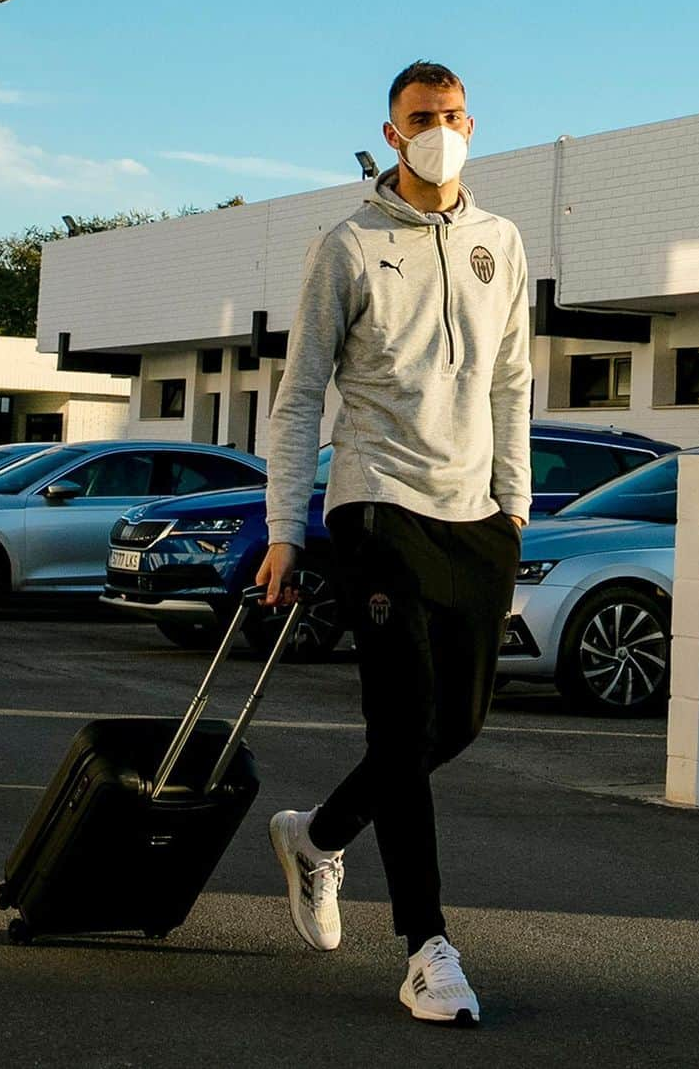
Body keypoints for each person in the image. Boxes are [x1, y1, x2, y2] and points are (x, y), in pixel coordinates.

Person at [257, 60, 531, 1028]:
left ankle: (319, 835)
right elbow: (299, 397)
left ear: (472, 122)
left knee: (454, 726)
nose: (441, 131)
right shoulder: (348, 245)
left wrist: (516, 506)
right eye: (423, 118)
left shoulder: (502, 240)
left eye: (454, 115)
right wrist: (284, 529)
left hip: (474, 519)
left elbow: (511, 382)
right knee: (401, 726)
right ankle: (427, 947)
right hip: (375, 505)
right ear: (390, 128)